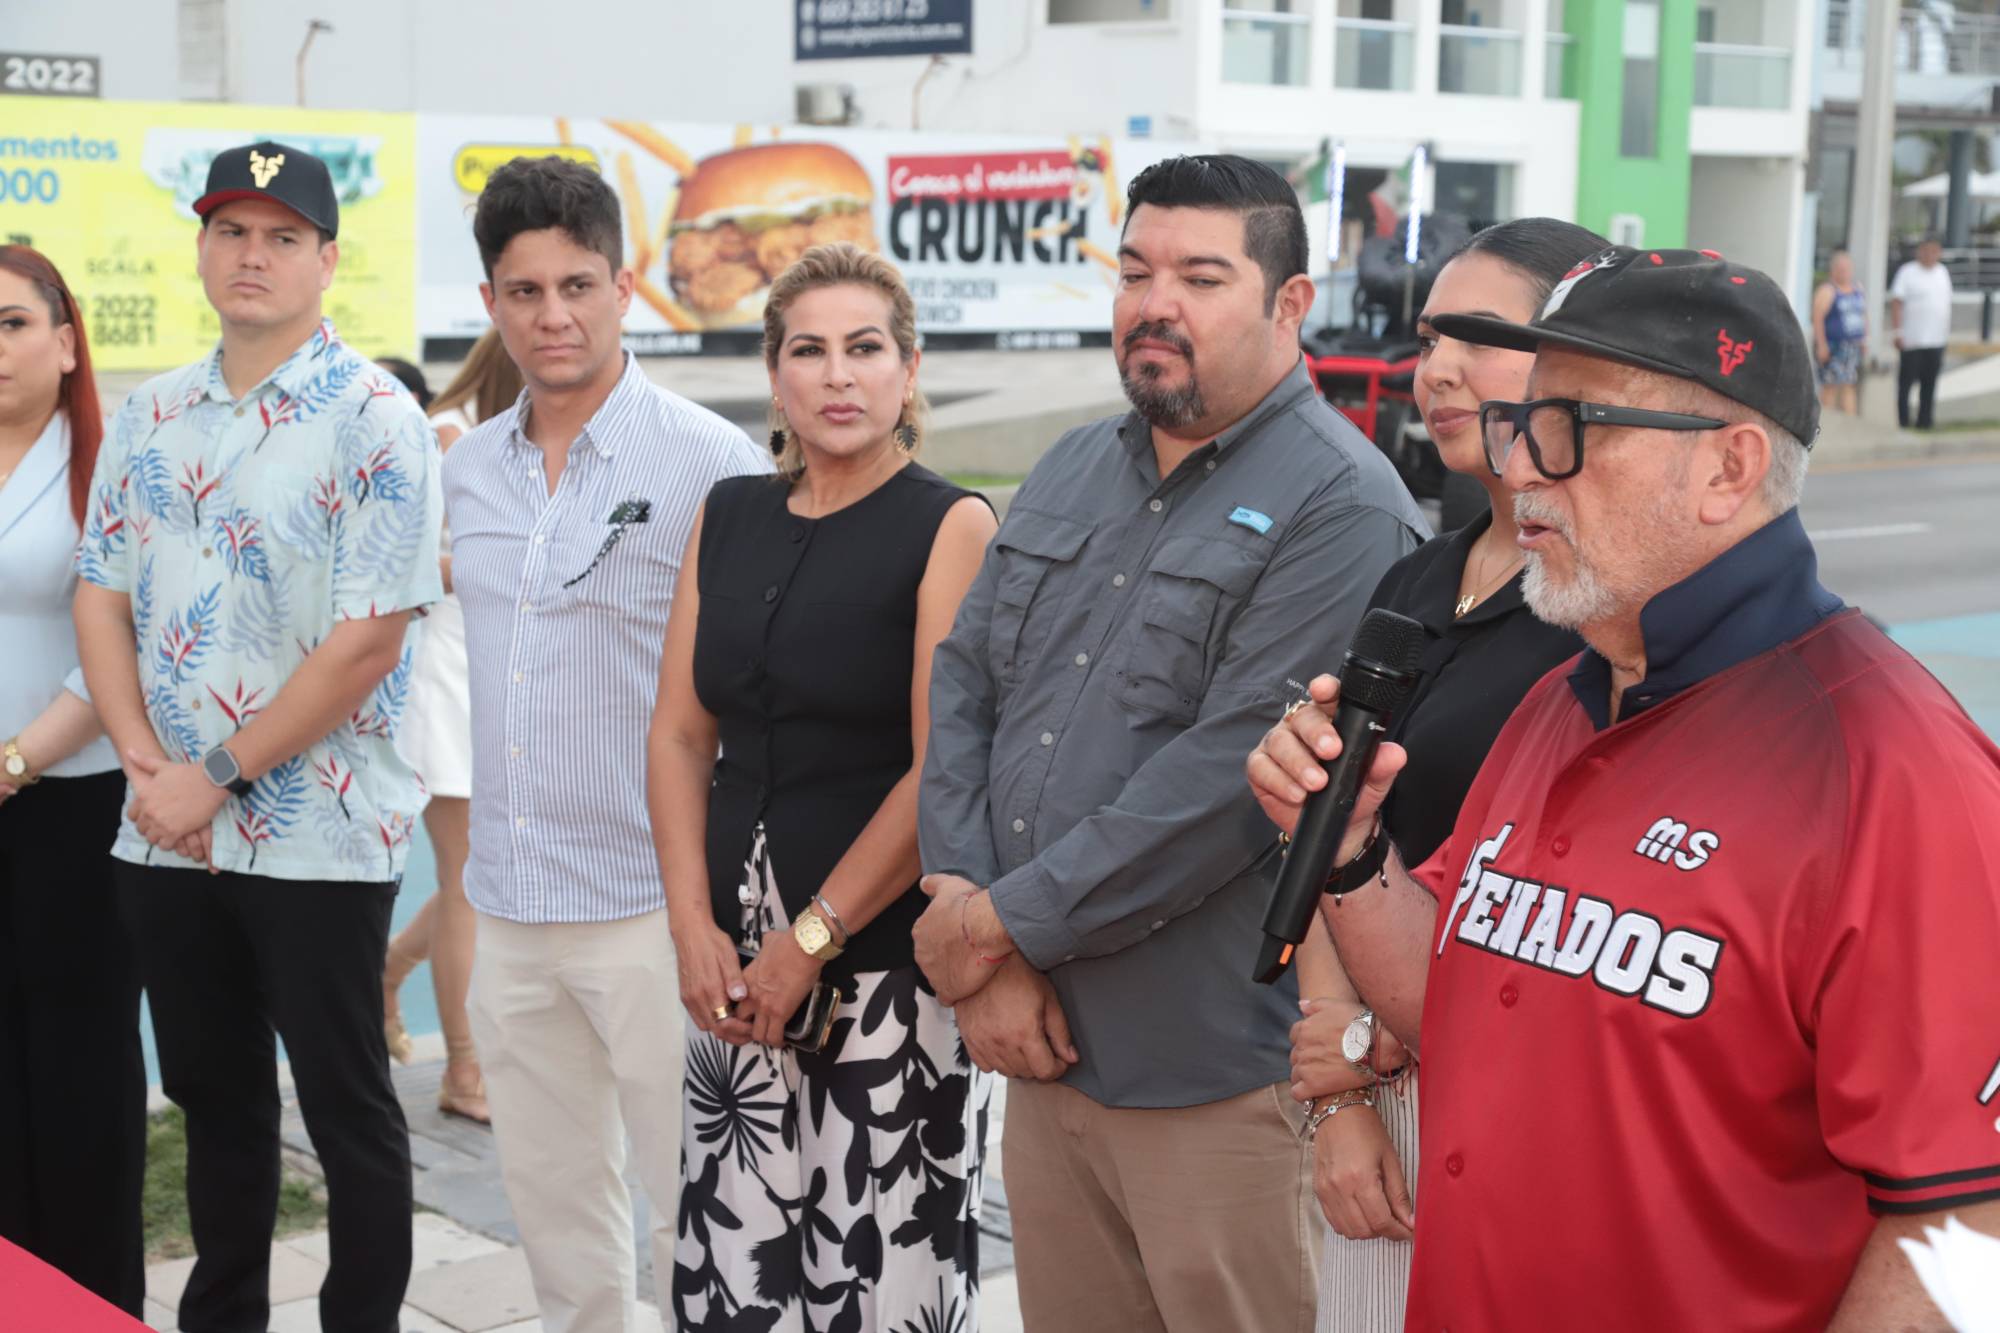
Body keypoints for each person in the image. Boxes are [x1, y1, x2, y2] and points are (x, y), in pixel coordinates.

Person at [1248, 246, 2000, 1329]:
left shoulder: (1889, 766)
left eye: (1567, 428)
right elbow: (1453, 999)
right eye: (1522, 424)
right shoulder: (1562, 700)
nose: (1519, 468)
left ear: (1729, 467)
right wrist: (1355, 844)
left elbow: (1967, 1219)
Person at [913, 154, 1425, 1333]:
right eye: (1133, 272)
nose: (1154, 304)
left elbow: (1222, 790)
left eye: (1199, 278)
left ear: (1289, 304)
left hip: (1213, 1082)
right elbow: (965, 684)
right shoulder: (1072, 464)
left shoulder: (1342, 507)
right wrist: (970, 911)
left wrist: (989, 930)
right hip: (1042, 1049)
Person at [72, 141, 436, 1333]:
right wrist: (145, 763)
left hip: (320, 831)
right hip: (166, 833)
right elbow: (101, 593)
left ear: (326, 260)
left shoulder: (376, 418)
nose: (253, 255)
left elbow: (368, 641)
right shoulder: (151, 413)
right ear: (201, 247)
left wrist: (215, 774)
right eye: (231, 230)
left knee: (345, 1109)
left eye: (283, 237)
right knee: (213, 1098)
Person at [444, 155, 771, 1333]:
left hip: (653, 909)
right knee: (556, 1220)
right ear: (490, 302)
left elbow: (757, 688)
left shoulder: (711, 463)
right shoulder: (466, 467)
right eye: (524, 291)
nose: (554, 316)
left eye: (577, 285)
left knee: (703, 1213)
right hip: (510, 906)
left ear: (625, 288)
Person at [650, 242, 998, 1332]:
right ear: (774, 374)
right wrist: (691, 926)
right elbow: (678, 734)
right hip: (733, 973)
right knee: (738, 1271)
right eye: (809, 350)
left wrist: (807, 941)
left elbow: (939, 767)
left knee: (875, 1277)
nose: (838, 375)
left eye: (865, 348)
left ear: (909, 369)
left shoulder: (951, 525)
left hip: (885, 975)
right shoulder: (727, 513)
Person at [1288, 219, 1600, 1332]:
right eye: (1428, 339)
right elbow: (1329, 828)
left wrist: (1368, 1049)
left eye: (1480, 337)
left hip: (1527, 1103)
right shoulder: (1415, 579)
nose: (1438, 371)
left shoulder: (1603, 609)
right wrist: (1341, 1086)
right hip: (1375, 1094)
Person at [0, 245, 144, 1315]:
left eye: (11, 323)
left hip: (74, 804)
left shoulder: (108, 464)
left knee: (79, 1074)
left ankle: (88, 1306)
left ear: (65, 340)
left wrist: (16, 760)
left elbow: (118, 646)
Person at [385, 328, 523, 1124]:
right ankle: (464, 1069)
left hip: (506, 674)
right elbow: (397, 567)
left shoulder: (522, 435)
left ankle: (389, 969)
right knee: (469, 875)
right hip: (449, 673)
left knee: (490, 867)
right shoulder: (445, 434)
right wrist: (503, 562)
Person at [1889, 235, 1952, 429]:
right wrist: (1898, 332)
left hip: (1936, 340)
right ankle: (1903, 420)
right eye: (1926, 250)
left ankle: (1925, 421)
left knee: (1929, 383)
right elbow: (1897, 302)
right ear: (1919, 251)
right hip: (1912, 339)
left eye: (1934, 251)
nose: (1929, 255)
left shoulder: (1942, 272)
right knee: (1906, 383)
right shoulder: (1907, 272)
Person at [1811, 249, 1866, 417]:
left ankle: (1851, 422)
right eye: (1840, 269)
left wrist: (1864, 339)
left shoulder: (1857, 289)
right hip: (1833, 345)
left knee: (1849, 384)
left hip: (1852, 345)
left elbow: (1863, 315)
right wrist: (1821, 345)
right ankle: (1825, 421)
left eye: (1847, 269)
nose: (1844, 273)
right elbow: (1817, 318)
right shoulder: (1827, 291)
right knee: (1830, 385)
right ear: (1833, 270)